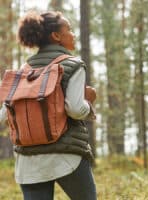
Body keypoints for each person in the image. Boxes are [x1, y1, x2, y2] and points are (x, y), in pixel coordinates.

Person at [0, 11, 97, 200]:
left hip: (29, 164)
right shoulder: (72, 65)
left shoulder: (22, 72)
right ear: (56, 36)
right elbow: (76, 110)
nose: (73, 34)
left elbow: (3, 115)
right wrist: (89, 101)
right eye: (69, 30)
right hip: (66, 156)